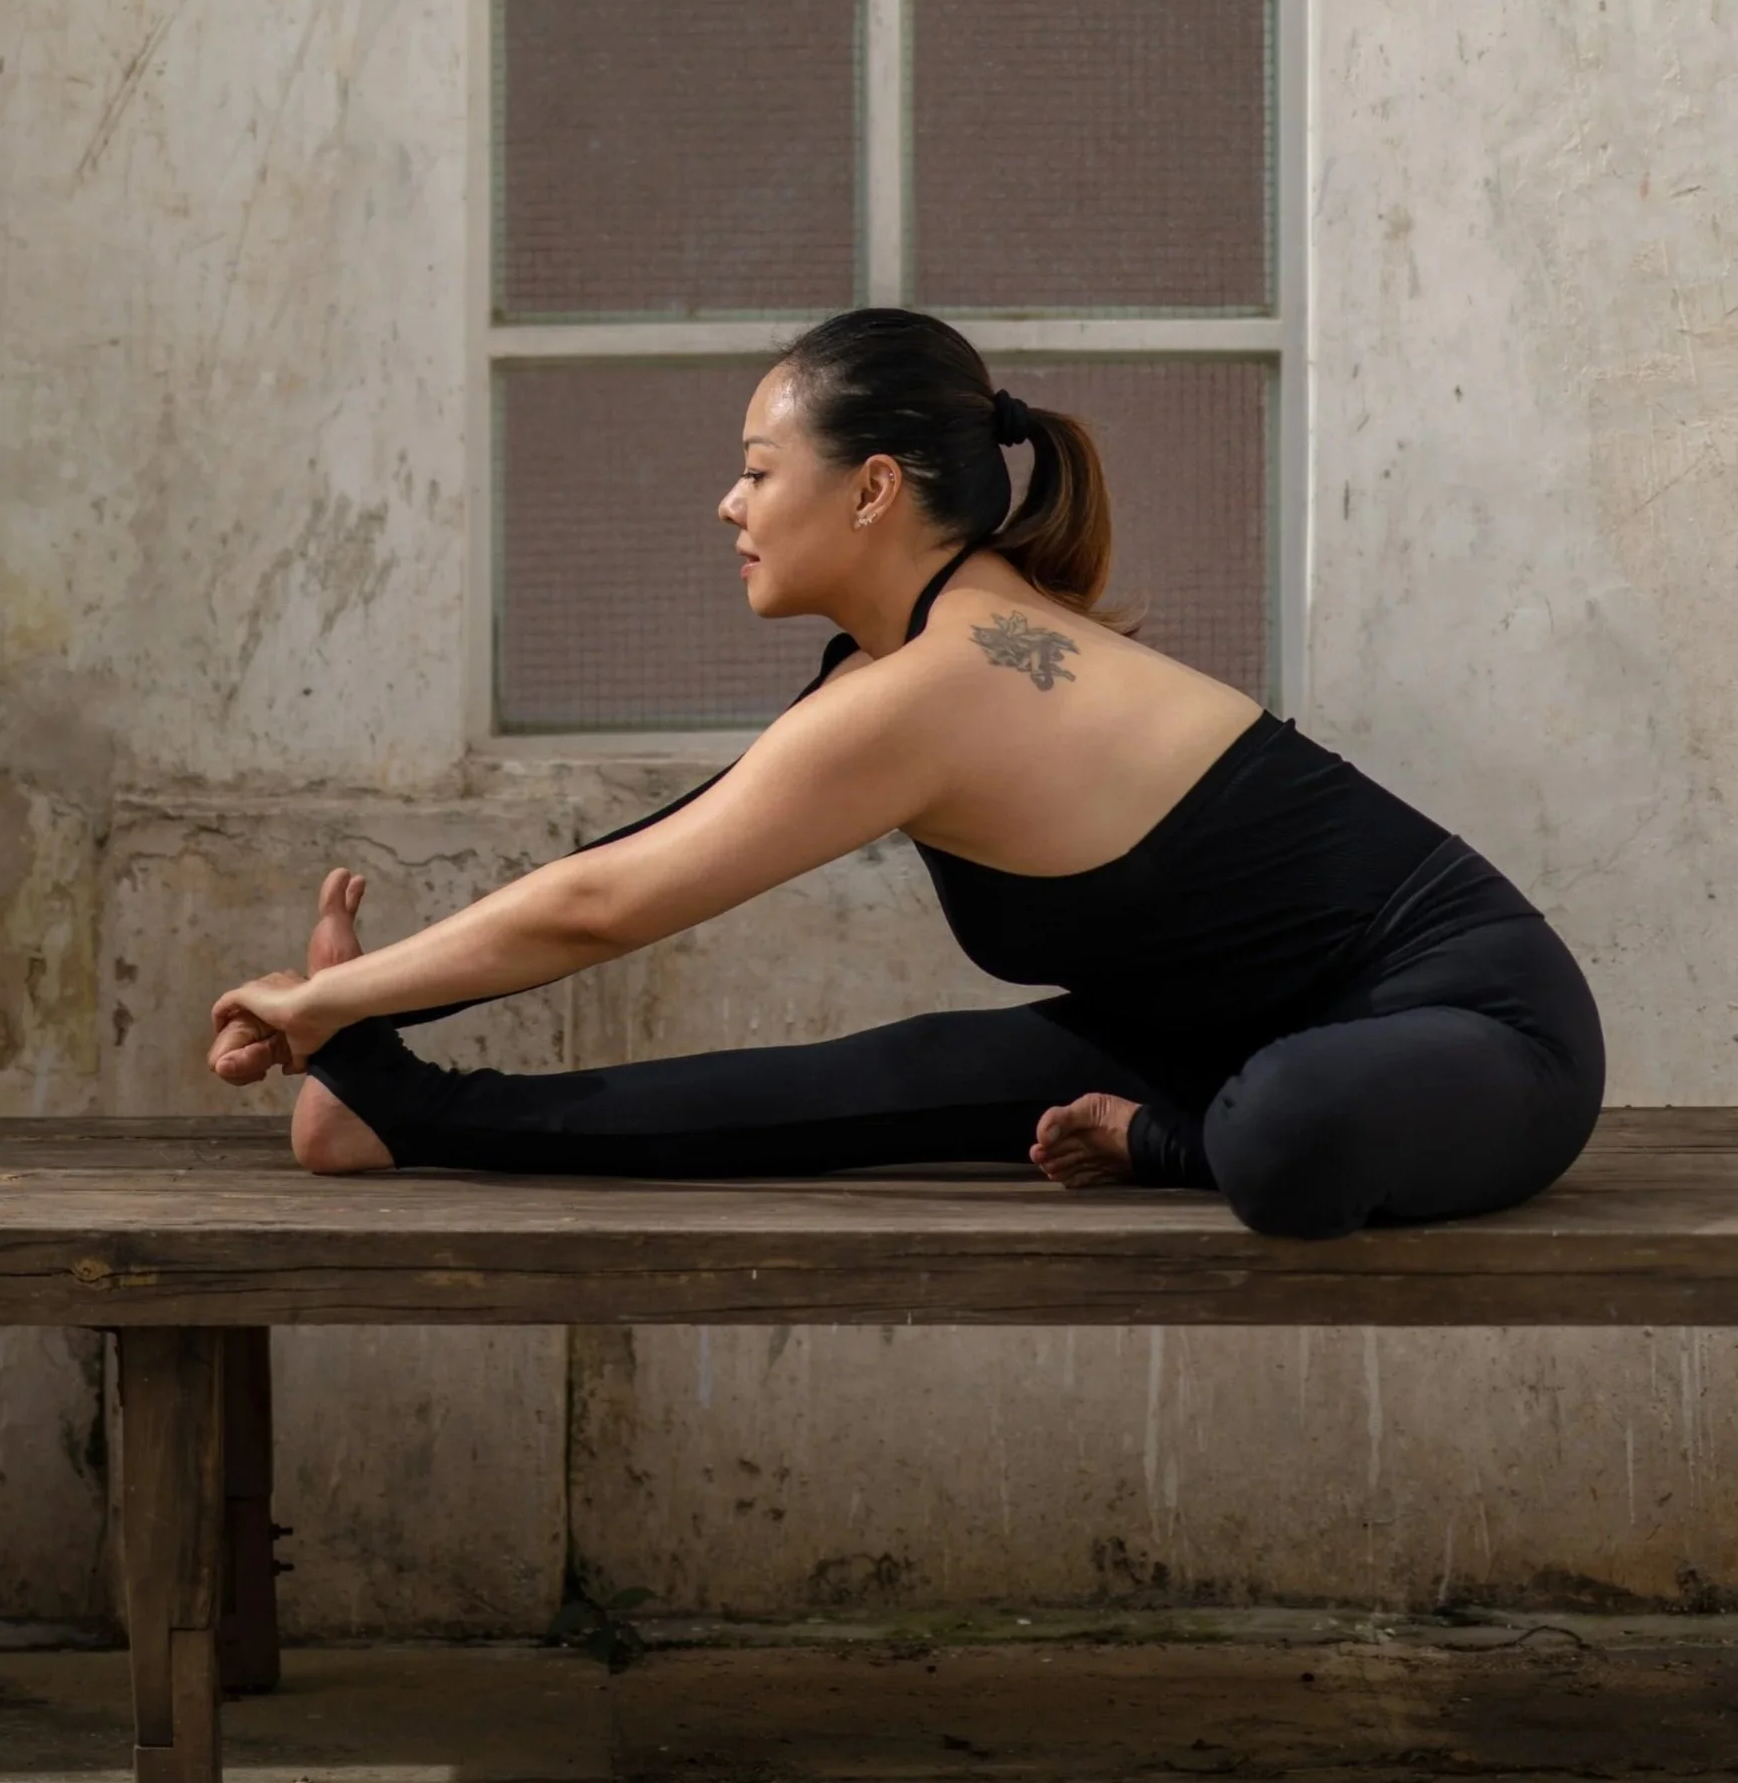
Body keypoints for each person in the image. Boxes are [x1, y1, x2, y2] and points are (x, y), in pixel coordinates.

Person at [206, 310, 1603, 1238]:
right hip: (1224, 1037)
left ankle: (1183, 1141)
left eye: (760, 471)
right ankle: (393, 1106)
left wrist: (319, 993)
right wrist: (362, 1019)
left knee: (1282, 1133)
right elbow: (631, 864)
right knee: (886, 1075)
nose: (730, 504)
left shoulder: (952, 676)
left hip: (1476, 1035)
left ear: (872, 489)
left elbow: (604, 909)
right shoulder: (897, 665)